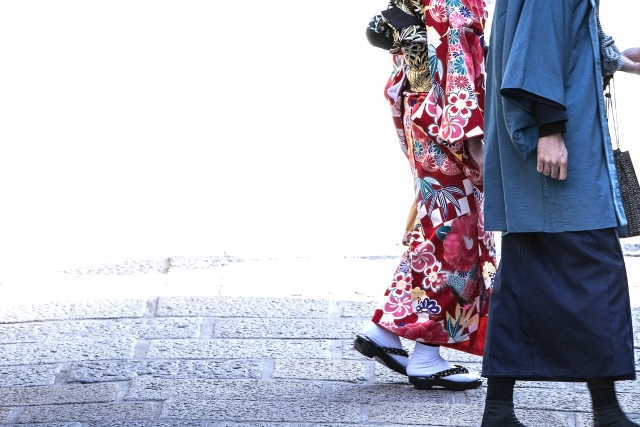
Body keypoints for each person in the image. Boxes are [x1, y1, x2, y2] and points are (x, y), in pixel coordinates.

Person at [481, 0, 640, 425]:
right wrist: (550, 131)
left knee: (525, 271)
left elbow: (560, 37)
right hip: (556, 143)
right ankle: (606, 411)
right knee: (596, 269)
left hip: (548, 137)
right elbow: (538, 48)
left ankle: (498, 411)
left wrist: (619, 59)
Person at [354, 0, 496, 391]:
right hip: (445, 119)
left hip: (422, 109)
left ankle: (385, 330)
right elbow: (455, 52)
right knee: (457, 235)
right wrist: (472, 138)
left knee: (438, 226)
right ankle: (426, 355)